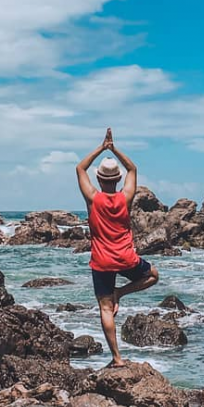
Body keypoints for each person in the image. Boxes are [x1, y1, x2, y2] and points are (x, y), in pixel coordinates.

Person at [76, 128, 158, 367]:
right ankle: (120, 293)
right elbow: (133, 169)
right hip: (126, 258)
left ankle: (117, 358)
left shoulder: (92, 198)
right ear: (118, 179)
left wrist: (102, 148)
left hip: (101, 261)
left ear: (100, 179)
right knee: (153, 275)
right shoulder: (126, 197)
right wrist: (115, 149)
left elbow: (80, 168)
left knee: (105, 308)